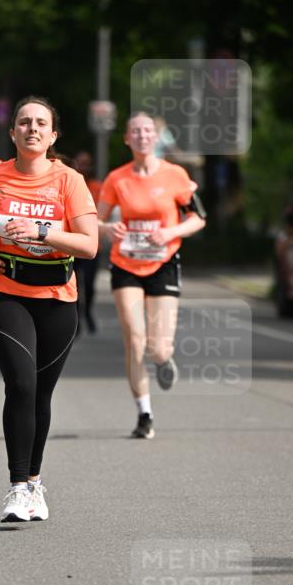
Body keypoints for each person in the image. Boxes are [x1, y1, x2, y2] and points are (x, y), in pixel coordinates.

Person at [0, 96, 98, 522]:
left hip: (57, 298)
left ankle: (35, 483)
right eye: (23, 122)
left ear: (52, 136)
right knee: (20, 384)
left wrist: (41, 231)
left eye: (40, 123)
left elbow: (89, 245)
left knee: (41, 394)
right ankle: (17, 488)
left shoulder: (69, 181)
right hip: (3, 292)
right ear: (13, 133)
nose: (31, 128)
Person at [97, 112, 206, 439]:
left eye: (148, 131)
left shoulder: (175, 175)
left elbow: (198, 218)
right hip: (126, 263)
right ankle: (144, 413)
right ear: (127, 139)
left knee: (158, 348)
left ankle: (163, 359)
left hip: (163, 262)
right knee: (134, 338)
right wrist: (107, 229)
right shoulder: (117, 179)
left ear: (156, 138)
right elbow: (94, 220)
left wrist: (170, 231)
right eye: (136, 132)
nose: (143, 136)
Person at [72, 150, 103, 334]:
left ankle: (88, 311)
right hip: (73, 245)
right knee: (74, 285)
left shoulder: (97, 187)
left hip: (92, 246)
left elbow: (101, 213)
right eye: (80, 163)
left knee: (90, 285)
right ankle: (76, 321)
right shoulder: (71, 183)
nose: (83, 166)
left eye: (86, 163)